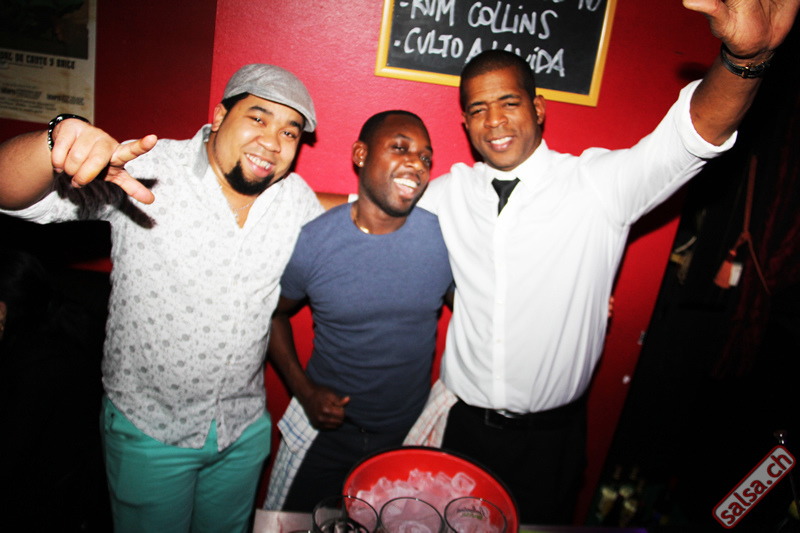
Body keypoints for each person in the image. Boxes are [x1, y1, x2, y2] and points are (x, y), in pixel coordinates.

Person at [398, 0, 800, 525]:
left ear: (538, 107)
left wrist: (744, 61)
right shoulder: (449, 193)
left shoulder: (595, 185)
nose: (493, 120)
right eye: (478, 109)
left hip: (549, 442)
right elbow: (373, 214)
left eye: (508, 102)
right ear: (466, 121)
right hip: (462, 428)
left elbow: (690, 137)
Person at [0, 64, 324, 532]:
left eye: (289, 132)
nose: (272, 142)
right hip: (149, 430)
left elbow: (347, 224)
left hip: (242, 429)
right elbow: (11, 195)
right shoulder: (147, 171)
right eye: (258, 118)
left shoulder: (295, 199)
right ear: (220, 115)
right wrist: (55, 142)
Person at [264, 110, 454, 512]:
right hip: (326, 434)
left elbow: (481, 306)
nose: (416, 164)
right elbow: (273, 314)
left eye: (425, 157)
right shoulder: (315, 241)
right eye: (400, 147)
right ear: (361, 155)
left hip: (406, 437)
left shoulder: (444, 239)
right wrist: (305, 392)